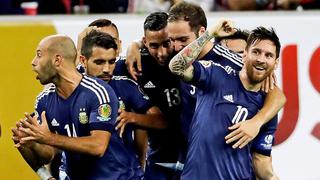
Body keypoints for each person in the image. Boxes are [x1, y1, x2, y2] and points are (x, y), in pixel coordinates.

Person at [12, 34, 144, 179]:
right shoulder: (44, 100)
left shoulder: (98, 92)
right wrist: (31, 143)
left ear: (57, 60)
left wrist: (47, 137)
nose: (33, 62)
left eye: (39, 55)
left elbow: (98, 146)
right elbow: (47, 155)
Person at [169, 20, 280, 179]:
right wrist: (209, 35)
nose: (261, 59)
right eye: (256, 52)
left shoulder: (267, 110)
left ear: (275, 63)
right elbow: (176, 66)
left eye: (268, 55)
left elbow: (261, 161)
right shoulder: (216, 75)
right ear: (244, 54)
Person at [80, 29, 167, 167]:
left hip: (125, 173)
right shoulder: (69, 89)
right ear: (83, 61)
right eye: (99, 62)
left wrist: (132, 117)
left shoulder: (126, 85)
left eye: (111, 61)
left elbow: (161, 121)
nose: (107, 69)